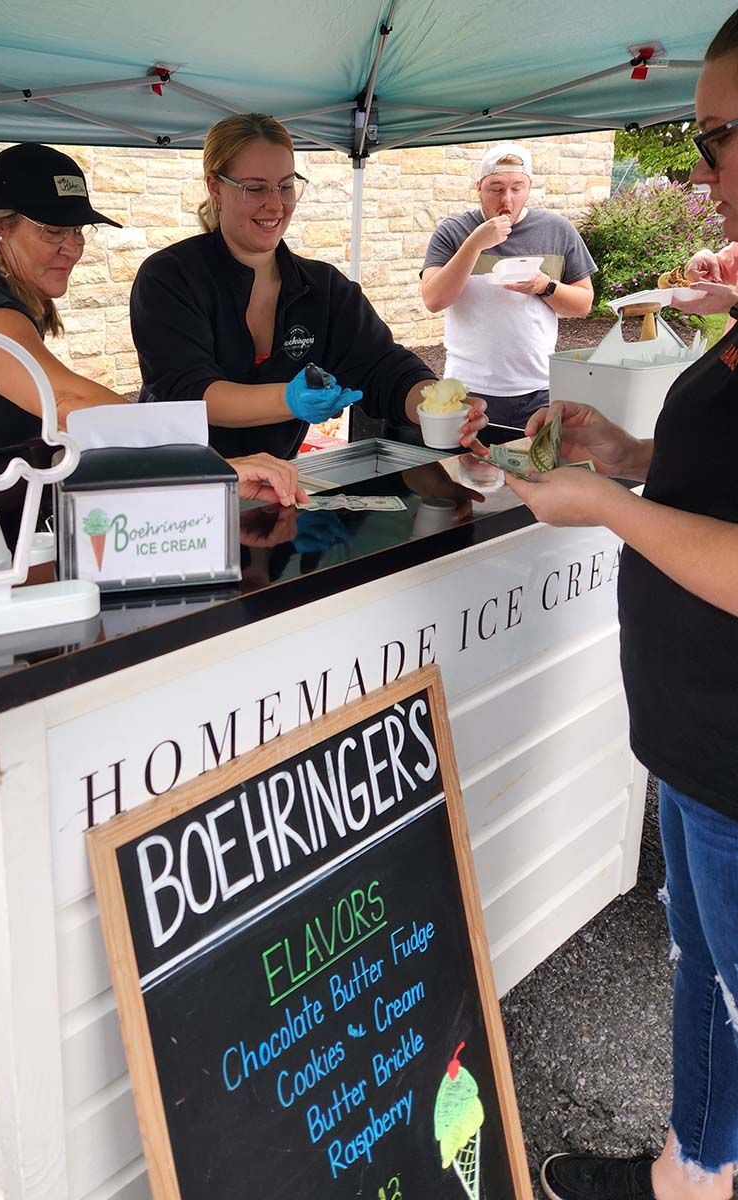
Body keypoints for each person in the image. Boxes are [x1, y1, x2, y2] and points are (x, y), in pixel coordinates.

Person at [494, 13, 738, 1199]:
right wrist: (628, 454)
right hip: (700, 738)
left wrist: (604, 505)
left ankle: (690, 1180)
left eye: (717, 137)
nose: (699, 172)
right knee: (701, 968)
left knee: (726, 985)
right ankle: (694, 1159)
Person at [0, 142, 305, 586]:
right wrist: (210, 464)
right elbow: (66, 400)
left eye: (77, 231)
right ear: (0, 230)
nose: (72, 248)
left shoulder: (14, 299)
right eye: (52, 231)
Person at [129, 113, 487, 460]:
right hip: (177, 482)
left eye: (286, 186)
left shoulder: (323, 288)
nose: (275, 204)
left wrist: (440, 403)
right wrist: (288, 399)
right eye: (255, 188)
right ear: (215, 187)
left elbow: (382, 368)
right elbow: (188, 393)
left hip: (275, 485)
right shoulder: (169, 277)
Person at [421, 143, 596, 428]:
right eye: (496, 188)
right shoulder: (453, 231)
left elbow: (583, 304)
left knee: (535, 471)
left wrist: (545, 286)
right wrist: (475, 244)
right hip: (467, 388)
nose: (508, 199)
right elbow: (433, 299)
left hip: (540, 389)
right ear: (479, 187)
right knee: (468, 470)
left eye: (517, 188)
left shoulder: (557, 230)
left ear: (529, 187)